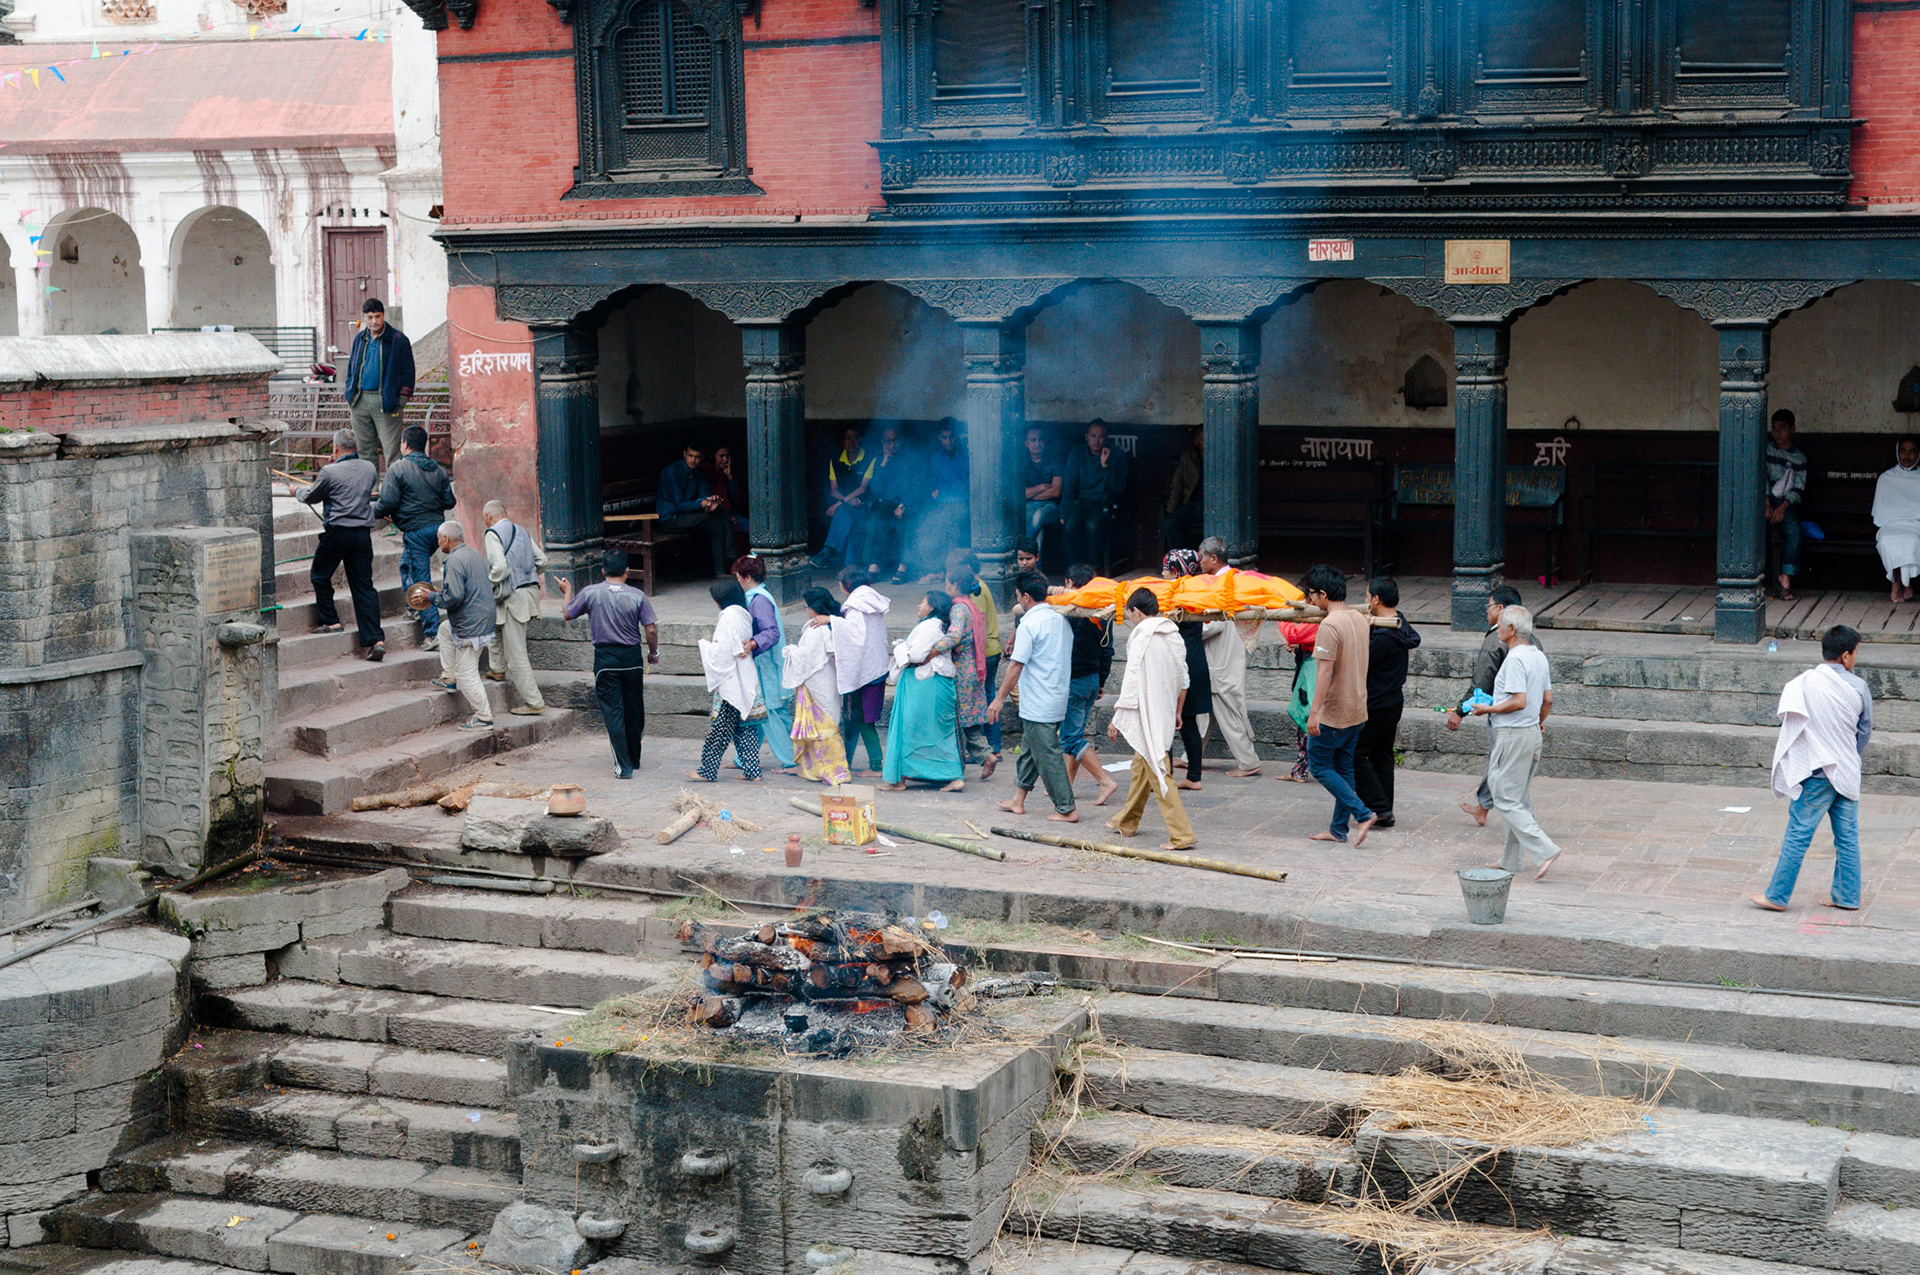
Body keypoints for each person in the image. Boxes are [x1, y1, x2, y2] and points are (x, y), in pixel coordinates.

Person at [1749, 625, 1872, 913]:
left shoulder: (1804, 683)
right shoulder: (1858, 687)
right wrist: (1846, 755)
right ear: (1845, 656)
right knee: (1847, 838)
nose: (1855, 658)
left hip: (1816, 773)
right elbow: (1863, 731)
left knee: (1798, 834)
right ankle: (1847, 897)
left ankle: (1777, 896)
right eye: (1855, 653)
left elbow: (1793, 725)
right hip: (1846, 772)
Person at [1471, 605, 1560, 880]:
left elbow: (1518, 701)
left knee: (1503, 795)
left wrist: (1488, 710)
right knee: (1516, 796)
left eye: (1500, 625)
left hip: (1513, 734)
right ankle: (1511, 859)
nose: (1497, 629)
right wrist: (1539, 720)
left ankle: (1544, 849)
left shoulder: (1515, 659)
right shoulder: (1538, 656)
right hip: (1531, 732)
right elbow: (1546, 699)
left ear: (1511, 630)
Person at [1106, 588, 1197, 851]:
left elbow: (1131, 678)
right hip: (1165, 710)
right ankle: (1126, 821)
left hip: (1147, 712)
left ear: (1136, 611)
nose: (1131, 620)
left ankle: (1181, 834)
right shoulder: (1174, 636)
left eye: (1131, 614)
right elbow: (1183, 678)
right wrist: (1177, 711)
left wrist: (1118, 715)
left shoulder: (1142, 636)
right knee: (1141, 768)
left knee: (1158, 771)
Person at [557, 551, 659, 779]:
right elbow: (650, 629)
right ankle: (634, 757)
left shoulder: (591, 592)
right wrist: (653, 653)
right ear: (627, 572)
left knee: (613, 712)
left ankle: (623, 766)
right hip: (632, 659)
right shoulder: (638, 596)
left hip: (605, 659)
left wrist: (568, 592)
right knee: (634, 710)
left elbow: (567, 614)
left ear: (603, 571)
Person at [991, 572, 1078, 823]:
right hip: (1053, 694)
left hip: (1041, 698)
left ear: (1025, 597)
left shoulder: (1029, 624)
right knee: (1030, 749)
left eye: (1018, 596)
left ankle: (1066, 807)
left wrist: (999, 698)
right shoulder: (1060, 619)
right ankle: (1018, 800)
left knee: (1047, 754)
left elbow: (1016, 665)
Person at [1301, 563, 1374, 845]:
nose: (1310, 602)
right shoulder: (1358, 617)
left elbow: (1325, 671)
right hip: (1357, 707)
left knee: (1319, 766)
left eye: (1311, 596)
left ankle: (1363, 813)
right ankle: (1338, 829)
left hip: (1335, 712)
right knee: (1344, 769)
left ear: (1322, 594)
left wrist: (1314, 713)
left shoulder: (1330, 625)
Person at [297, 429, 385, 662]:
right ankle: (376, 640)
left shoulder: (329, 471)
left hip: (338, 532)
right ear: (355, 447)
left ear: (335, 449)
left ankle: (331, 620)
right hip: (362, 534)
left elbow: (311, 496)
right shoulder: (369, 468)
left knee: (319, 574)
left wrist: (296, 491)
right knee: (364, 587)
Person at [1449, 585, 1534, 826]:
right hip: (1528, 715)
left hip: (1506, 716)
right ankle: (1484, 807)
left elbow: (1482, 682)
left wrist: (1460, 711)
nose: (1486, 613)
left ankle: (1528, 826)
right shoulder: (1533, 643)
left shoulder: (1498, 641)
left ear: (1500, 610)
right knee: (1503, 764)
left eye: (1488, 607)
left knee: (1506, 769)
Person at [372, 424, 456, 644]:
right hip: (437, 530)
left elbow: (387, 502)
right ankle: (413, 607)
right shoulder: (437, 469)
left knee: (421, 579)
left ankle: (432, 632)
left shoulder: (398, 468)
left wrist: (367, 511)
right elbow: (450, 501)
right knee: (405, 564)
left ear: (405, 444)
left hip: (416, 531)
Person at [1354, 577, 1421, 830]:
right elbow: (1415, 638)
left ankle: (1378, 806)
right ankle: (1384, 811)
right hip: (1393, 701)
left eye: (1367, 596)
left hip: (1377, 703)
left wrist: (1363, 629)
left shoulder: (1385, 635)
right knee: (1381, 755)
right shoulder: (1400, 621)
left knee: (1356, 755)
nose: (1365, 600)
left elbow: (1362, 661)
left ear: (1376, 600)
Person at [881, 591, 965, 792]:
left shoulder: (930, 626)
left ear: (932, 606)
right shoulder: (933, 626)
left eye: (923, 601)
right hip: (928, 685)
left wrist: (900, 647)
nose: (919, 605)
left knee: (915, 730)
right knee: (930, 731)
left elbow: (917, 655)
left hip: (925, 686)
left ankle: (950, 776)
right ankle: (912, 776)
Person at [1196, 536, 1261, 778]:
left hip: (1221, 656)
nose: (1199, 561)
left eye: (1202, 556)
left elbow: (1213, 624)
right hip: (1224, 653)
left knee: (1226, 708)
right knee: (1208, 710)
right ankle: (1191, 756)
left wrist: (1188, 628)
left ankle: (1248, 761)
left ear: (1213, 558)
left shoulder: (1223, 585)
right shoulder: (1230, 578)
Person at [688, 579, 764, 783]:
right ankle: (753, 771)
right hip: (745, 676)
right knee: (744, 727)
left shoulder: (727, 617)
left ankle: (707, 771)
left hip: (731, 680)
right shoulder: (742, 614)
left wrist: (705, 646)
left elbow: (722, 651)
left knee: (720, 729)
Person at [426, 521, 496, 731]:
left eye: (439, 539)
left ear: (445, 538)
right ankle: (449, 677)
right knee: (444, 631)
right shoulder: (472, 554)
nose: (438, 543)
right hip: (482, 616)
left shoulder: (454, 560)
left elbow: (454, 596)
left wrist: (432, 597)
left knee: (467, 674)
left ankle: (484, 717)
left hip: (471, 623)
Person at [481, 500, 547, 717]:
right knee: (497, 628)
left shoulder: (492, 534)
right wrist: (525, 573)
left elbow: (499, 567)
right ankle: (497, 669)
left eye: (485, 519)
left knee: (516, 654)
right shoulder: (522, 531)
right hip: (529, 593)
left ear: (489, 517)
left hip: (513, 597)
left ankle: (534, 702)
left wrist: (487, 584)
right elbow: (542, 561)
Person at [1060, 562, 1119, 805]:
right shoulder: (1102, 611)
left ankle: (1105, 780)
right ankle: (1065, 785)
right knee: (1075, 734)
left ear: (1070, 584)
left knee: (1070, 738)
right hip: (1093, 679)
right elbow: (1108, 650)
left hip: (1075, 680)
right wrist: (1102, 679)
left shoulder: (1070, 611)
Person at [783, 587, 852, 785]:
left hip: (819, 681)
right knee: (826, 721)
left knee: (824, 726)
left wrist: (790, 651)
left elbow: (805, 658)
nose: (806, 610)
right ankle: (818, 768)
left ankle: (834, 771)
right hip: (825, 679)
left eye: (806, 606)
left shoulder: (817, 629)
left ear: (814, 607)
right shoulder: (827, 624)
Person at [934, 557, 996, 779]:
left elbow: (955, 635)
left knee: (957, 722)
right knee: (966, 719)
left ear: (955, 586)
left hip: (962, 670)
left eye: (947, 583)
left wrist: (932, 650)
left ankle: (955, 773)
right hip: (974, 669)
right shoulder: (970, 605)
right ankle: (987, 755)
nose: (945, 587)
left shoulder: (959, 608)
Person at [733, 555, 796, 771]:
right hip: (763, 662)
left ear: (747, 577)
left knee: (771, 711)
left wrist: (752, 643)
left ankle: (790, 759)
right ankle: (744, 758)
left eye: (739, 577)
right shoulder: (759, 596)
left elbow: (771, 632)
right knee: (758, 711)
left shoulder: (758, 600)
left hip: (767, 663)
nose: (738, 582)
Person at [828, 567, 891, 776]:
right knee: (855, 717)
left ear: (846, 585)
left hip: (865, 672)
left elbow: (852, 636)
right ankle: (845, 759)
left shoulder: (855, 607)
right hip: (876, 667)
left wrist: (831, 621)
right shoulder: (871, 600)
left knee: (863, 720)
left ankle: (876, 765)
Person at [341, 298, 415, 469]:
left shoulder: (398, 340)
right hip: (360, 401)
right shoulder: (360, 339)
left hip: (386, 401)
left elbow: (408, 372)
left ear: (383, 316)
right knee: (365, 450)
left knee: (392, 451)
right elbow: (352, 367)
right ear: (364, 318)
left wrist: (401, 400)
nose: (374, 321)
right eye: (370, 317)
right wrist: (350, 393)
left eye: (377, 316)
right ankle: (371, 489)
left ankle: (392, 492)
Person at [1162, 550, 1212, 791]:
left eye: (1166, 570)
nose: (1162, 574)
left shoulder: (1177, 596)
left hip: (1179, 661)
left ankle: (1166, 775)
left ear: (1177, 572)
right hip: (1194, 658)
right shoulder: (1196, 592)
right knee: (1188, 721)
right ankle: (1193, 776)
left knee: (1167, 718)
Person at [657, 445, 735, 578]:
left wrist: (710, 503)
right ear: (684, 454)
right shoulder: (672, 472)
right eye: (690, 456)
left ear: (702, 458)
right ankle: (732, 559)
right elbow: (679, 505)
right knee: (718, 516)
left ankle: (721, 573)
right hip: (672, 518)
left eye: (697, 457)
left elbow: (704, 495)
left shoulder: (700, 473)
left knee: (717, 522)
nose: (693, 460)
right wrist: (702, 503)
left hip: (691, 516)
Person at [1061, 421, 1131, 569]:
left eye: (1100, 436)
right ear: (1086, 437)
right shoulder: (1078, 453)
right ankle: (1074, 569)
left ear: (1106, 438)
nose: (1096, 440)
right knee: (1069, 525)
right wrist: (1063, 510)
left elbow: (1118, 488)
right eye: (1093, 436)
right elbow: (1069, 484)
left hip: (1103, 501)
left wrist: (1105, 466)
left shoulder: (1116, 454)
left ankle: (1094, 569)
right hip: (1081, 500)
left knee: (1092, 525)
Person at [961, 550, 1005, 758]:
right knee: (988, 697)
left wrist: (975, 657)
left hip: (985, 652)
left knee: (986, 700)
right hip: (989, 650)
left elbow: (981, 623)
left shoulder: (976, 591)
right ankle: (991, 747)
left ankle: (991, 748)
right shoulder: (978, 587)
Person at [914, 423, 970, 580]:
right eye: (945, 437)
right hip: (941, 504)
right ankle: (938, 570)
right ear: (939, 438)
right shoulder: (935, 459)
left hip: (962, 504)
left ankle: (950, 572)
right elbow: (931, 483)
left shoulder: (966, 457)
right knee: (927, 528)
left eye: (951, 437)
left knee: (952, 526)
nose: (949, 441)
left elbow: (967, 485)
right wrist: (933, 491)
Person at [813, 427, 873, 569]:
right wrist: (846, 501)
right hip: (849, 504)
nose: (851, 442)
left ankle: (827, 550)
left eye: (855, 438)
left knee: (842, 512)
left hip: (864, 505)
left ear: (860, 440)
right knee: (847, 517)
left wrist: (839, 504)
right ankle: (850, 565)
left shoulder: (870, 459)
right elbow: (834, 490)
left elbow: (863, 488)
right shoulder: (835, 460)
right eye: (848, 438)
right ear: (842, 441)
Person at [861, 427, 916, 583]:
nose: (893, 444)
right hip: (886, 505)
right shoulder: (879, 460)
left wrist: (904, 505)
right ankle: (874, 566)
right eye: (888, 441)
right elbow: (875, 487)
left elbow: (917, 486)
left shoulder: (911, 458)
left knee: (903, 526)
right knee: (876, 522)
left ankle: (903, 566)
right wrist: (884, 462)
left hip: (906, 504)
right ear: (882, 442)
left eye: (895, 440)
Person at [1766, 410, 1808, 601]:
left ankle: (1786, 576)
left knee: (1794, 531)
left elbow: (1797, 489)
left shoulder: (1799, 458)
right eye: (1774, 429)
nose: (1777, 433)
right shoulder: (1766, 451)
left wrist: (1782, 507)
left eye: (1782, 429)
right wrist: (1766, 502)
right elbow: (1761, 478)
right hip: (1765, 499)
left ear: (1792, 429)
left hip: (1785, 503)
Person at [1872, 435, 1920, 604]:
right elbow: (1880, 513)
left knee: (1912, 540)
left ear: (1918, 454)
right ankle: (1902, 583)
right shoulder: (1886, 478)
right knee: (1888, 540)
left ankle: (1899, 583)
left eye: (1912, 452)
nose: (1907, 456)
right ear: (1897, 452)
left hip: (1916, 526)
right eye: (1903, 451)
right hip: (1891, 525)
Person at [1161, 427, 1205, 555]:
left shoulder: (1221, 459)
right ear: (1196, 442)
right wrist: (1170, 510)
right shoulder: (1188, 458)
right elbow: (1177, 485)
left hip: (1213, 508)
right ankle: (1179, 560)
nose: (1207, 443)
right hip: (1191, 505)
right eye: (1203, 439)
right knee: (1170, 524)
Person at [1021, 426, 1063, 558]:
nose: (1037, 444)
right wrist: (1044, 486)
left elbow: (1056, 492)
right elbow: (1022, 494)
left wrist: (1031, 492)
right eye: (1033, 440)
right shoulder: (1022, 463)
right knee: (1037, 534)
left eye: (1040, 440)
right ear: (1026, 444)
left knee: (1038, 516)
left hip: (1050, 506)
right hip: (1028, 505)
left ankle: (1024, 549)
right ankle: (1036, 572)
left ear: (1045, 442)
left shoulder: (1055, 460)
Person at [709, 444, 748, 553]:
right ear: (714, 456)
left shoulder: (724, 474)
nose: (725, 460)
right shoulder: (708, 473)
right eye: (721, 456)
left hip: (730, 513)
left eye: (727, 456)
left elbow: (735, 498)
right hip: (716, 514)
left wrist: (729, 477)